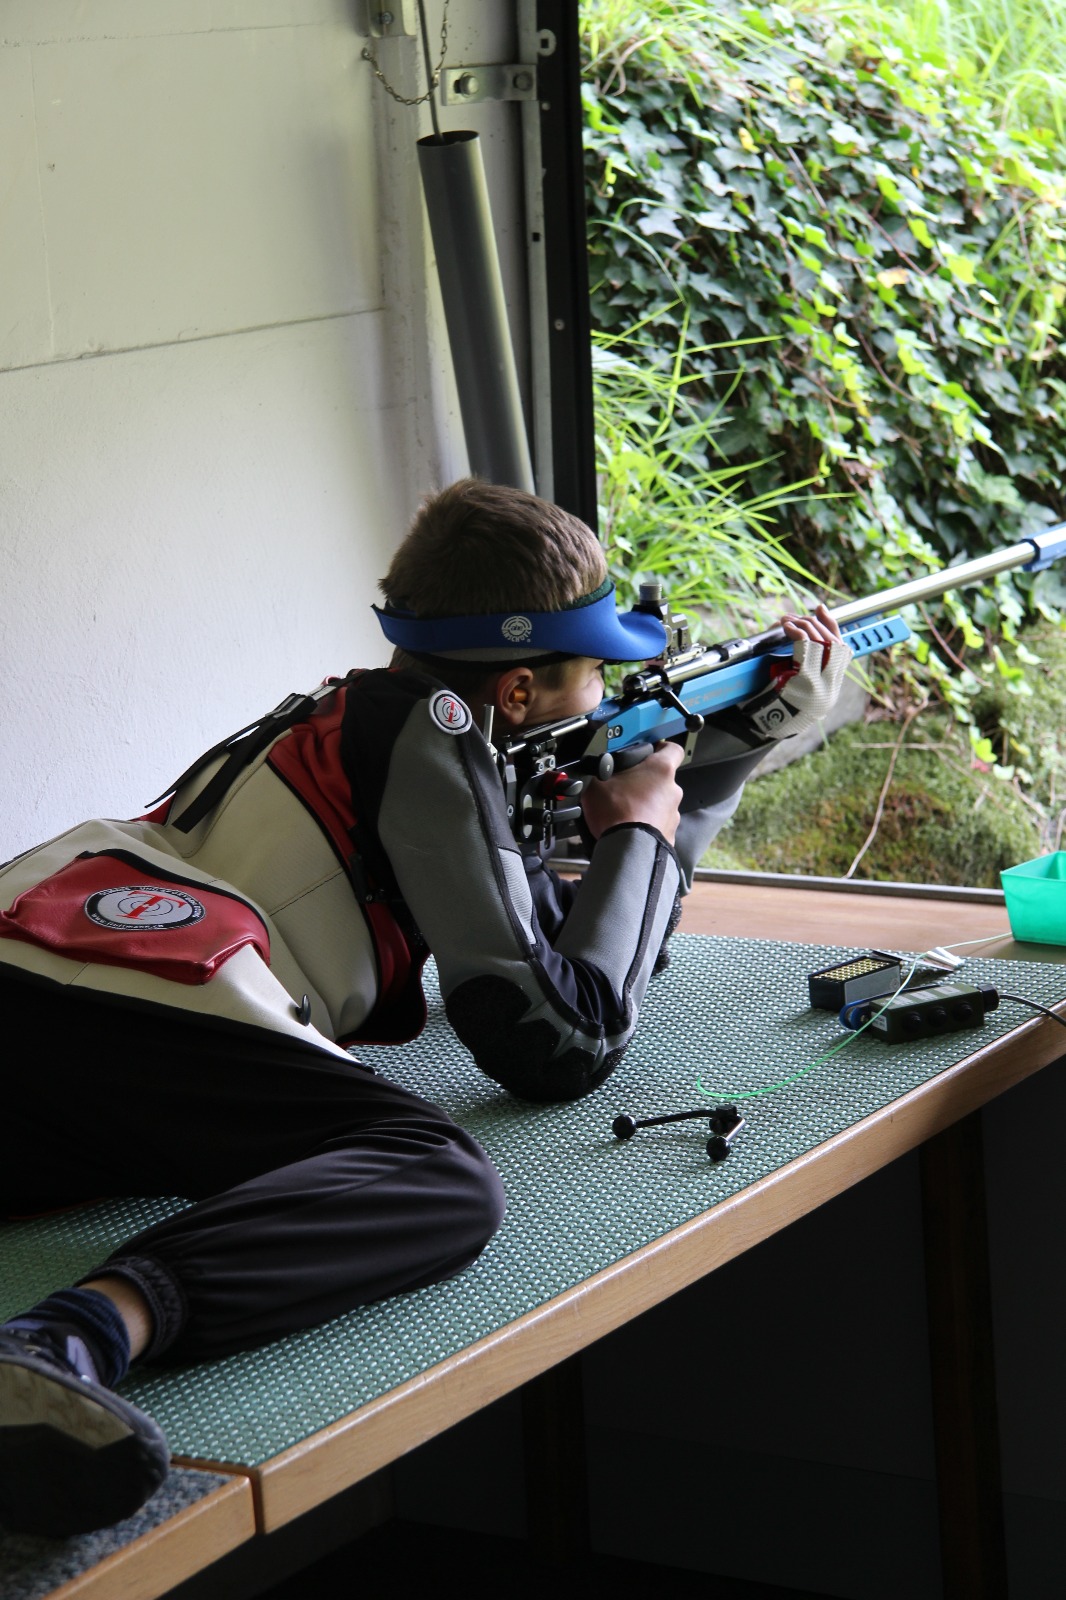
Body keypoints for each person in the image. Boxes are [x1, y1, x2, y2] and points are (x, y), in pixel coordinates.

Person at [0, 479, 849, 1538]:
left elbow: (597, 953)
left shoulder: (371, 718)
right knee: (437, 1173)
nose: (610, 691)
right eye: (598, 670)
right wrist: (639, 827)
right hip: (137, 986)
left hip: (51, 968)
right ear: (519, 691)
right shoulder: (432, 737)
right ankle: (65, 1339)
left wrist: (713, 770)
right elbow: (560, 1039)